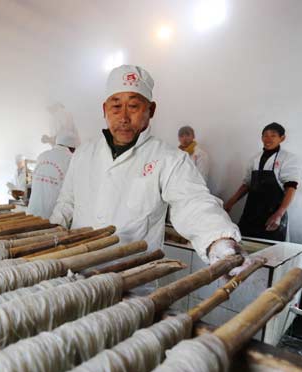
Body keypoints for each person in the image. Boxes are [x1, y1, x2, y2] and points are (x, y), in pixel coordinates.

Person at [50, 65, 249, 270]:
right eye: (116, 107)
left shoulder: (169, 159)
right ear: (105, 110)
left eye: (134, 106)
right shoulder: (84, 154)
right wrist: (53, 233)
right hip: (76, 270)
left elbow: (192, 201)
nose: (124, 117)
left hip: (131, 278)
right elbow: (67, 202)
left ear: (151, 110)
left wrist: (218, 240)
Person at [224, 122, 302, 241]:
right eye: (265, 135)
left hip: (273, 214)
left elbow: (291, 188)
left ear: (282, 138)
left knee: (271, 253)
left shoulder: (288, 159)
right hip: (251, 213)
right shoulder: (254, 159)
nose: (268, 139)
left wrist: (279, 214)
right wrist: (231, 202)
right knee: (245, 247)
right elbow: (247, 184)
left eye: (273, 135)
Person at [28, 133, 77, 218]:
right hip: (51, 216)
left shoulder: (42, 155)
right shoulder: (71, 159)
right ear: (73, 148)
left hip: (32, 211)